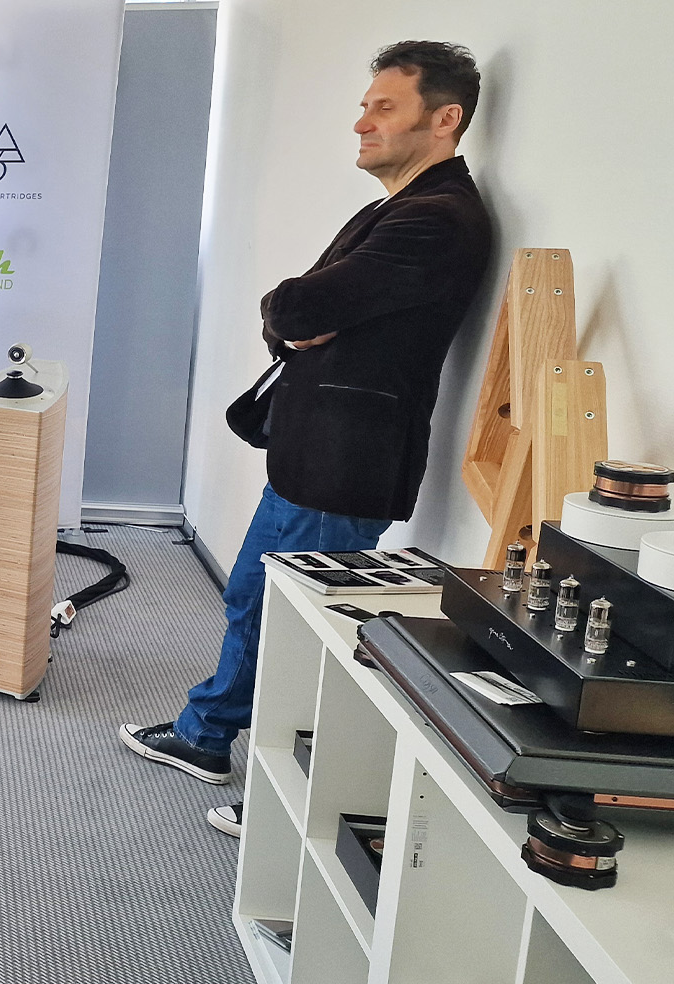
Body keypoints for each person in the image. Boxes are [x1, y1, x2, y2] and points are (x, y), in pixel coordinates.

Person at [121, 41, 493, 836]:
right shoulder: (395, 208)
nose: (362, 122)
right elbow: (301, 310)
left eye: (385, 107)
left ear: (445, 118)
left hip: (344, 465)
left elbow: (293, 307)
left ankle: (286, 803)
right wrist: (300, 315)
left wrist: (298, 314)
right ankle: (205, 736)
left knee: (305, 636)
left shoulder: (435, 220)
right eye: (366, 104)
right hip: (311, 452)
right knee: (254, 598)